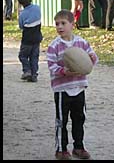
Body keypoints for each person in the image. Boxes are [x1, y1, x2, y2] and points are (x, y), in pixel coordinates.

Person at [46, 9, 98, 160]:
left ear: (72, 24)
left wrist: (91, 58)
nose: (59, 27)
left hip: (79, 87)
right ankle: (61, 150)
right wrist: (64, 71)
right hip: (62, 90)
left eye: (63, 23)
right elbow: (52, 66)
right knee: (62, 121)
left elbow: (92, 61)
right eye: (57, 24)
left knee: (79, 118)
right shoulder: (54, 46)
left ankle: (79, 147)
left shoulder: (81, 42)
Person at [18, 0, 43, 82]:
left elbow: (21, 26)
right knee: (34, 57)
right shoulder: (37, 8)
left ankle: (27, 71)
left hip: (27, 39)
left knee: (23, 56)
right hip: (37, 37)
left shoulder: (22, 14)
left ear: (21, 3)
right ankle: (34, 75)